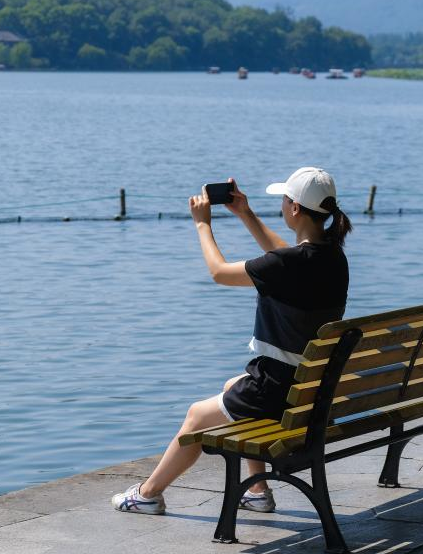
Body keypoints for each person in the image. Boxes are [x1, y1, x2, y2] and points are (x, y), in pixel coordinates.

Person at [112, 167, 351, 515]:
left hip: (278, 388)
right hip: (311, 390)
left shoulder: (290, 264)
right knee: (231, 384)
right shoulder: (333, 258)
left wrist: (202, 224)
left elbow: (219, 272)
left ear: (295, 209)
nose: (282, 206)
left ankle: (147, 494)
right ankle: (257, 490)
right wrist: (245, 214)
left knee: (195, 416)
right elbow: (285, 257)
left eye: (284, 200)